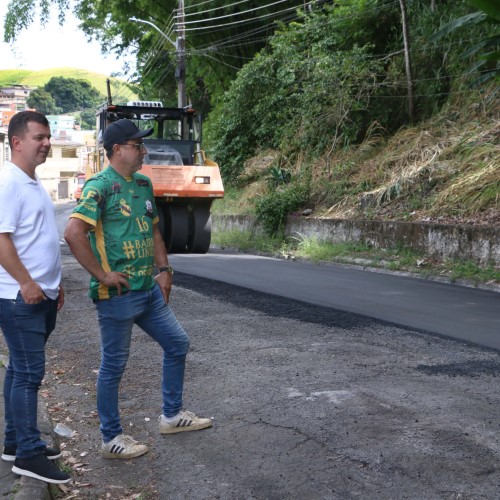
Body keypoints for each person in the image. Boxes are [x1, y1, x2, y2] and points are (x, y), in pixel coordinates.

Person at [64, 119, 212, 460]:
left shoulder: (144, 184)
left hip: (148, 291)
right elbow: (73, 234)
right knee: (114, 366)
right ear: (118, 150)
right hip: (117, 296)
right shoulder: (99, 186)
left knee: (178, 343)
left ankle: (172, 416)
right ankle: (111, 438)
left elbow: (155, 232)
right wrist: (102, 275)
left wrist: (165, 271)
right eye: (137, 145)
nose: (144, 150)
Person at [0, 111, 71, 484]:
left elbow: (37, 239)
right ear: (17, 142)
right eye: (39, 137)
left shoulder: (30, 182)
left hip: (39, 295)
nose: (46, 143)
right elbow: (1, 240)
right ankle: (27, 454)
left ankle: (14, 442)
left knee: (18, 370)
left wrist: (53, 284)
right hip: (18, 297)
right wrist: (28, 283)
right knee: (29, 373)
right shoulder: (8, 182)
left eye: (48, 137)